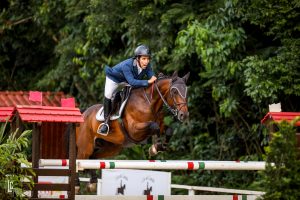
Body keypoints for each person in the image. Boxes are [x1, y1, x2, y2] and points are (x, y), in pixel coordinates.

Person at [98, 44, 157, 134]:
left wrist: (156, 78)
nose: (146, 61)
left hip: (126, 81)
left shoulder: (146, 66)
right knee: (108, 95)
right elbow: (133, 82)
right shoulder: (127, 65)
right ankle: (105, 123)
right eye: (144, 59)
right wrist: (148, 82)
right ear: (137, 58)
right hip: (114, 79)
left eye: (148, 59)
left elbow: (152, 76)